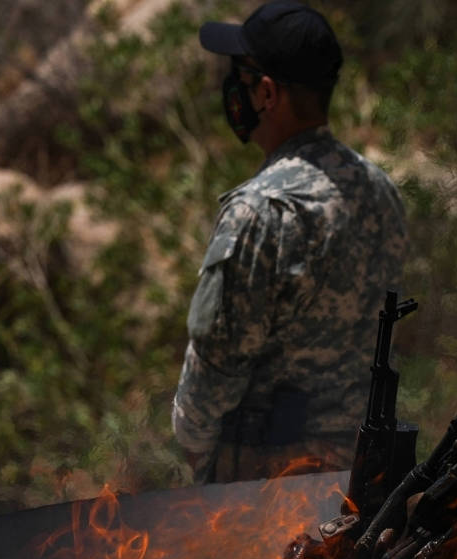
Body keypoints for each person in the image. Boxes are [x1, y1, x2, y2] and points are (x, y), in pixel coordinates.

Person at [172, 0, 409, 483]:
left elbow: (218, 358)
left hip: (263, 487)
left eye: (240, 75)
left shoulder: (259, 209)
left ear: (265, 93)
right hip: (359, 474)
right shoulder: (380, 190)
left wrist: (193, 443)